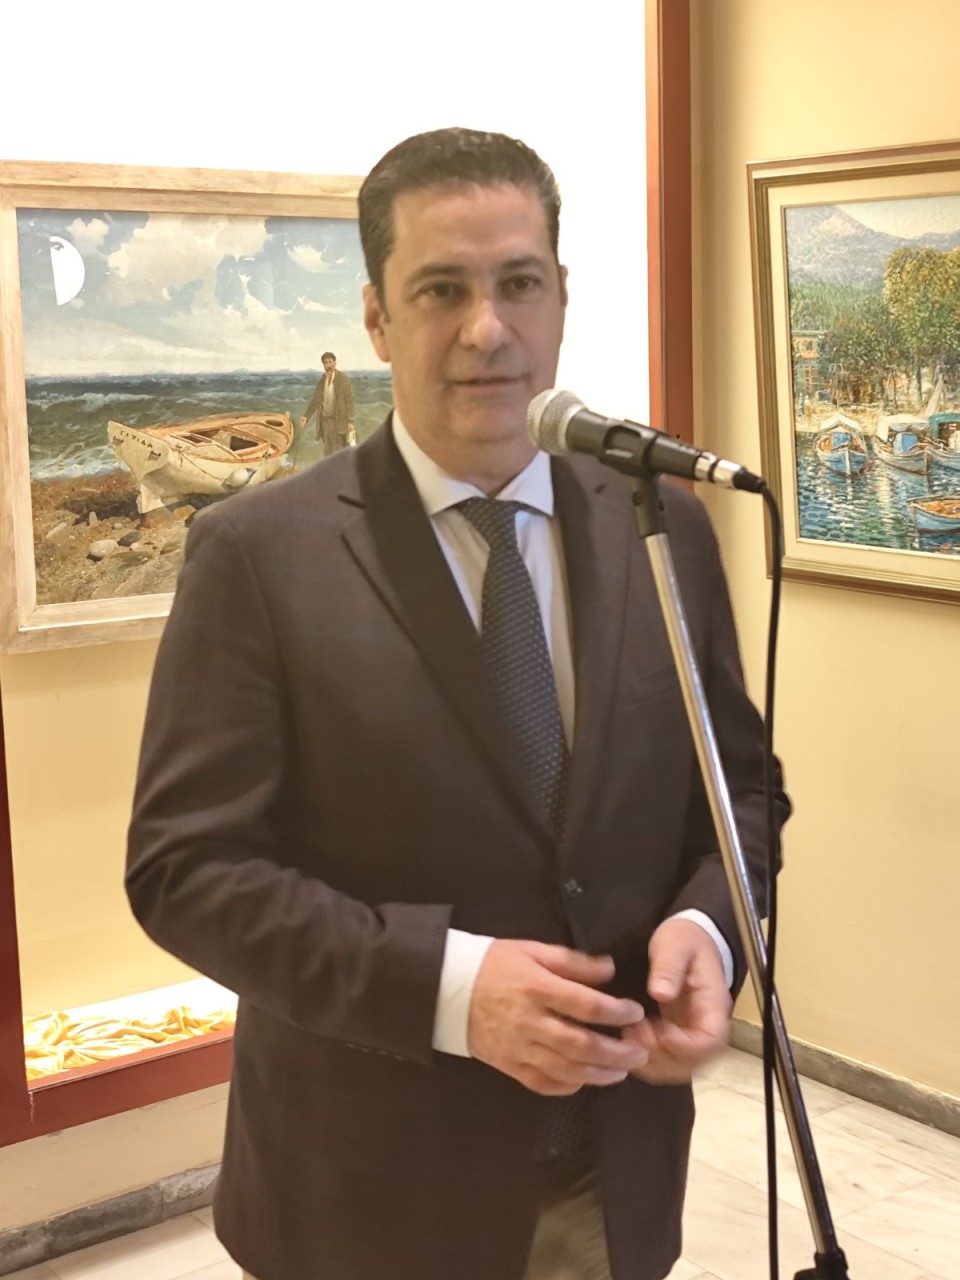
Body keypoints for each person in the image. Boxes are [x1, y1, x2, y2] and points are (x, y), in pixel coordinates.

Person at [126, 127, 789, 1280]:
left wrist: (708, 928)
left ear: (561, 297)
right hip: (367, 1197)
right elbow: (185, 867)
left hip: (615, 1168)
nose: (488, 328)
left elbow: (740, 794)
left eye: (518, 283)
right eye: (441, 289)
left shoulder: (661, 522)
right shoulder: (259, 555)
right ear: (378, 319)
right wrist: (451, 987)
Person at [301, 350, 356, 454]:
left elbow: (349, 400)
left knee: (339, 451)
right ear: (323, 366)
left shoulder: (343, 379)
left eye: (330, 362)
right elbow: (315, 400)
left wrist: (350, 421)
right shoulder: (322, 381)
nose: (328, 365)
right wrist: (306, 416)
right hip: (325, 422)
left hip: (338, 422)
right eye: (325, 363)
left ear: (335, 363)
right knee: (327, 451)